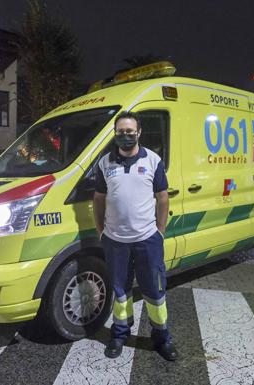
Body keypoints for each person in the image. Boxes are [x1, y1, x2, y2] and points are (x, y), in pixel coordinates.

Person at [93, 111, 176, 361]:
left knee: (154, 291)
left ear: (139, 132)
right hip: (115, 241)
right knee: (120, 291)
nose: (125, 136)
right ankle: (120, 334)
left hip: (147, 240)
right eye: (121, 132)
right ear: (115, 134)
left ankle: (162, 337)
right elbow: (98, 198)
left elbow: (163, 197)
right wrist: (101, 231)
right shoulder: (105, 163)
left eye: (130, 131)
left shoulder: (152, 160)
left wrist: (160, 231)